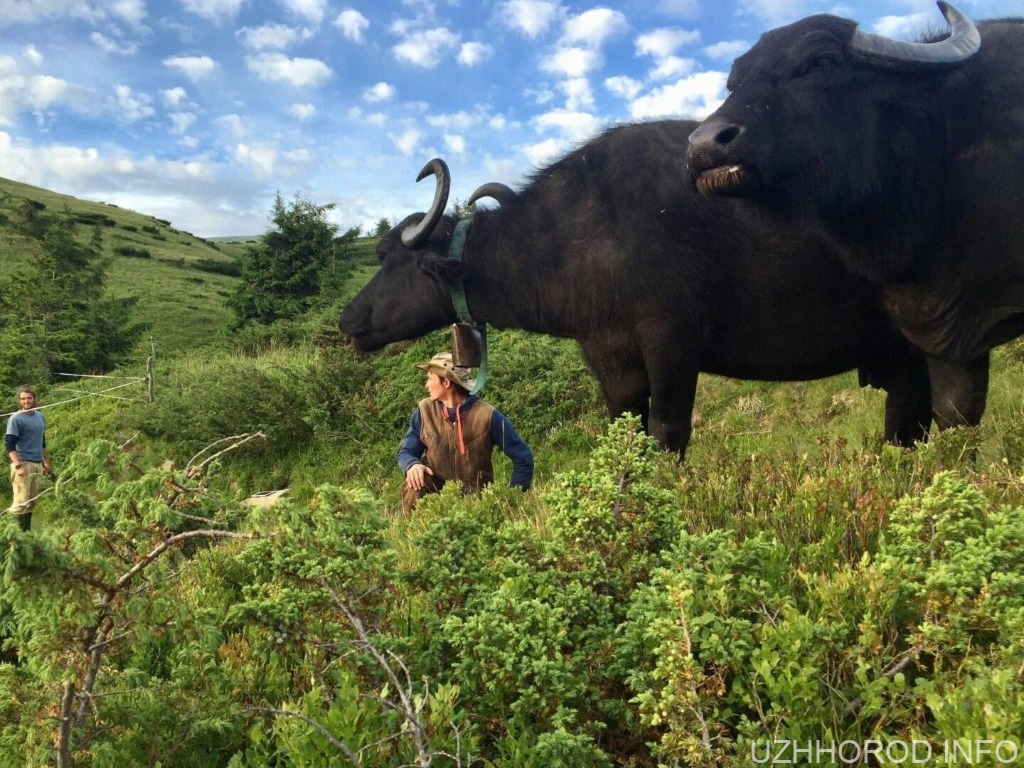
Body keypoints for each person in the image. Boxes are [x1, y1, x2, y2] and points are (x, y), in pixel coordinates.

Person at [398, 352, 533, 514]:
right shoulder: (424, 410)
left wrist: (513, 501)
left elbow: (523, 458)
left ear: (446, 382)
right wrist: (412, 465)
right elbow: (406, 452)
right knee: (415, 482)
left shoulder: (487, 415)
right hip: (436, 498)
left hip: (476, 500)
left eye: (430, 379)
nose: (426, 385)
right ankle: (414, 529)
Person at [6, 386, 52, 532]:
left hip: (37, 463)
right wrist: (18, 466)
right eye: (23, 399)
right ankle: (14, 536)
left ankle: (27, 535)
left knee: (32, 501)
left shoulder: (40, 416)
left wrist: (46, 462)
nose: (26, 401)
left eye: (29, 398)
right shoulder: (16, 419)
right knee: (21, 502)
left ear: (34, 399)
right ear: (19, 401)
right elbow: (9, 445)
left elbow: (42, 441)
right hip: (23, 463)